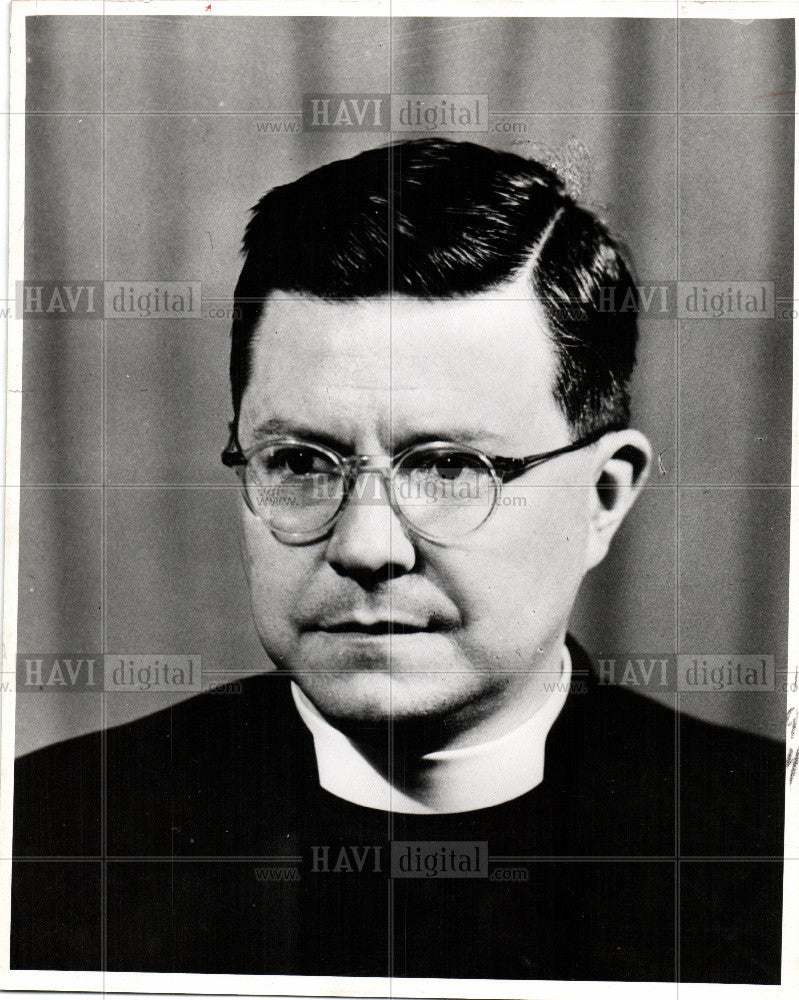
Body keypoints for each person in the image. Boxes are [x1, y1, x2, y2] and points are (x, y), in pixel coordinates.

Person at [12, 138, 785, 984]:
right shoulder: (44, 839)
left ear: (602, 498)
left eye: (451, 467)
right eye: (301, 463)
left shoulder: (764, 839)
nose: (366, 547)